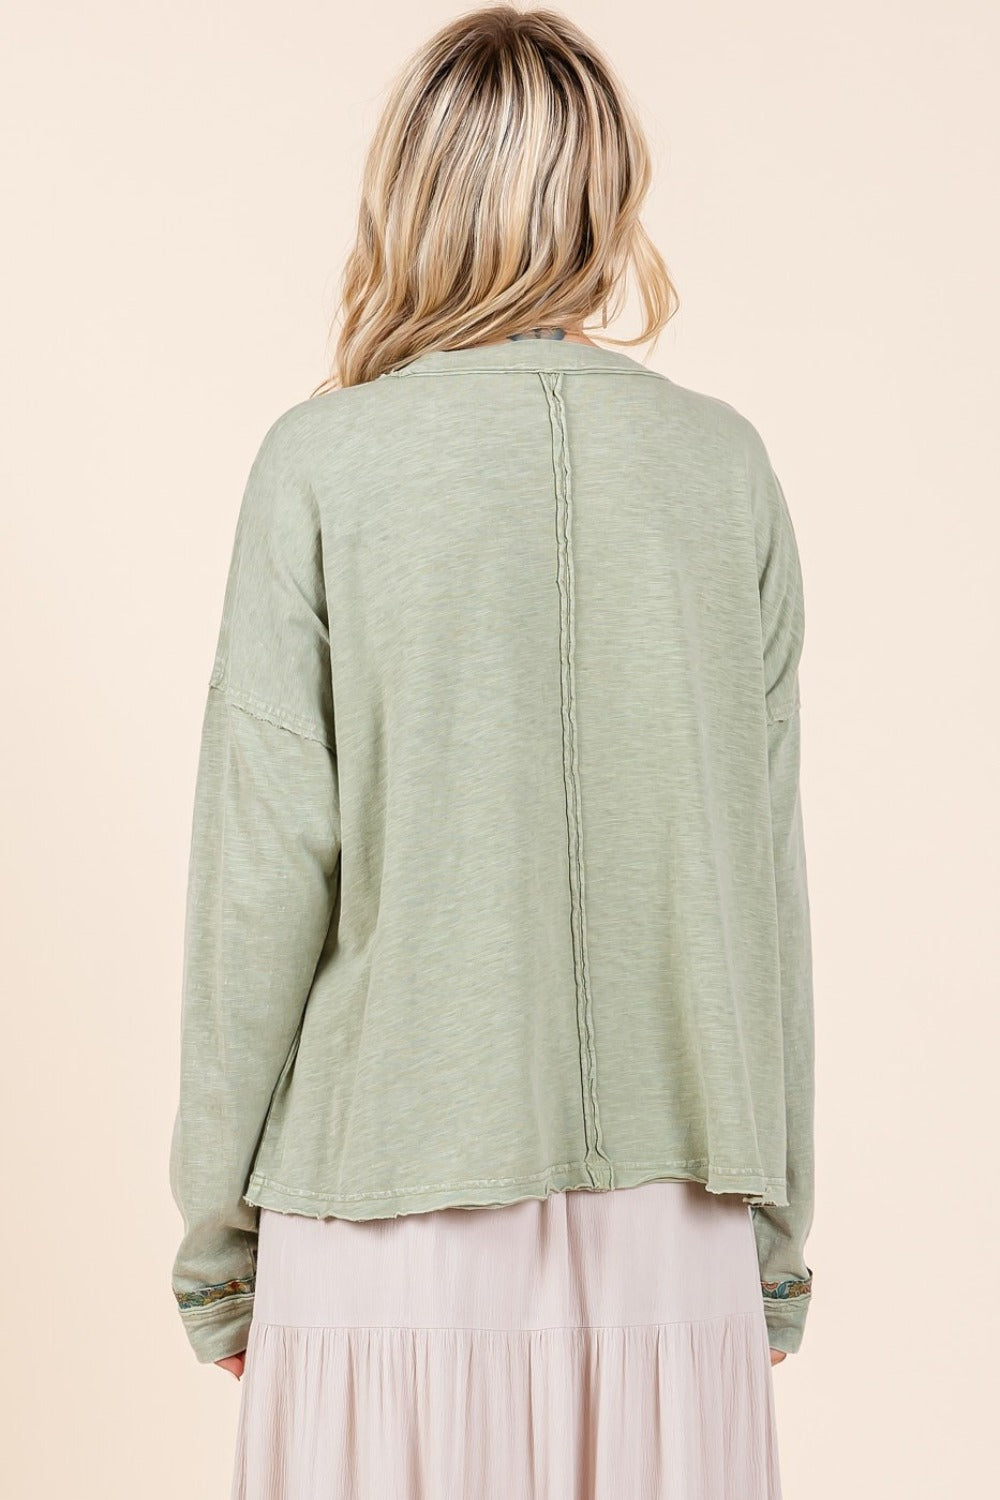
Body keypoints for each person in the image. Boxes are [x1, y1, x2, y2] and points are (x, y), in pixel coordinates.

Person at [168, 6, 815, 1496]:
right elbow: (761, 887)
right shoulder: (724, 470)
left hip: (380, 1229)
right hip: (679, 1234)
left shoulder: (323, 463)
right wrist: (774, 1245)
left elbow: (258, 888)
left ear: (410, 192)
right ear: (608, 196)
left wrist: (218, 1251)